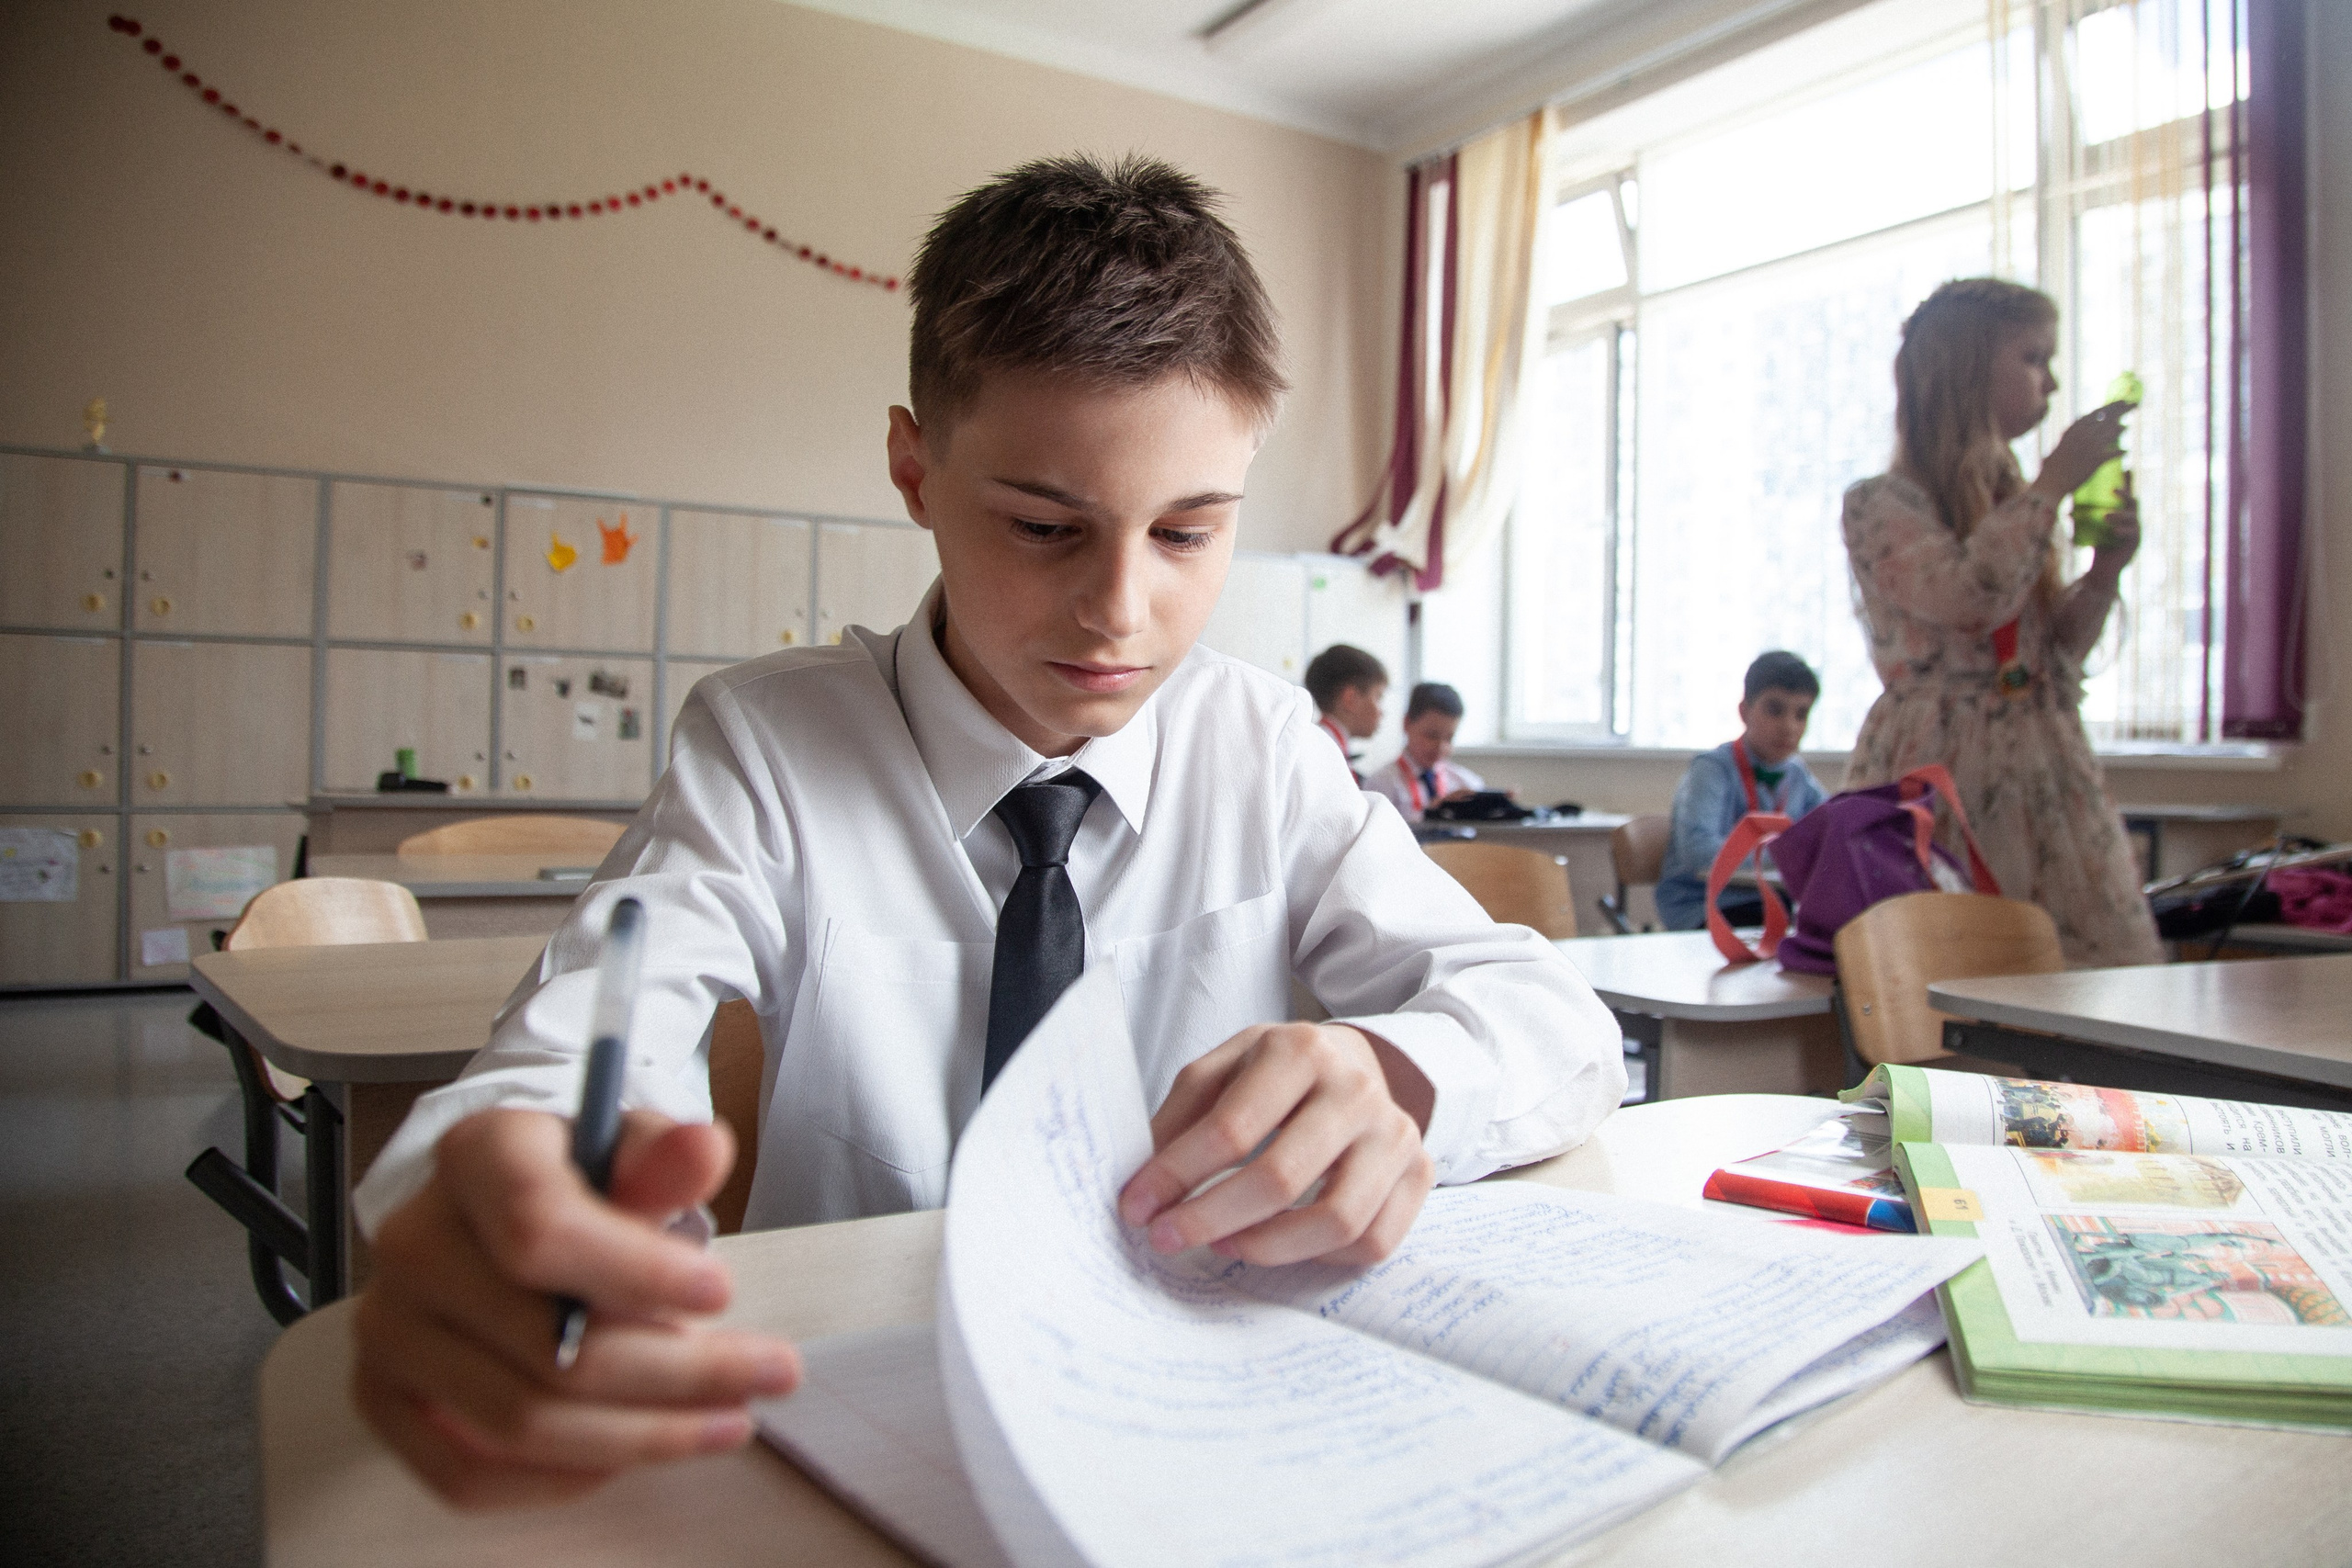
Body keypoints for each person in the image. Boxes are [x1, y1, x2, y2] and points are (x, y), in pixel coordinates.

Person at [346, 154, 1624, 1508]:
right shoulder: (768, 750)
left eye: (1190, 532)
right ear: (915, 466)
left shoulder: (1258, 746)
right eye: (1042, 525)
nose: (1121, 611)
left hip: (1196, 1418)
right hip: (847, 1422)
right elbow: (569, 1061)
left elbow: (1553, 1020)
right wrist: (508, 1204)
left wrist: (1394, 1074)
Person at [1841, 277, 2163, 967]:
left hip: (2041, 763)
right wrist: (2051, 485)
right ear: (1965, 368)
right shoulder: (1881, 502)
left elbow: (2052, 654)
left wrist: (2105, 569)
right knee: (1955, 975)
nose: (2050, 381)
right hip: (1942, 765)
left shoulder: (2013, 499)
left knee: (2072, 978)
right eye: (2032, 357)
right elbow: (1969, 598)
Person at [1655, 651, 1831, 931]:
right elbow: (1699, 850)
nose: (1789, 726)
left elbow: (1830, 835)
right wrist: (1786, 854)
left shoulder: (1798, 776)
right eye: (1775, 710)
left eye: (1801, 714)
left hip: (1771, 902)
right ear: (1744, 711)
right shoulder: (1712, 769)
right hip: (1703, 904)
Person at [1367, 682, 1485, 823]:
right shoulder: (1380, 784)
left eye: (1449, 738)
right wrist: (1433, 813)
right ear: (1406, 724)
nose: (1440, 747)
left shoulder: (1467, 783)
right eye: (1431, 735)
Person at [1302, 643, 1387, 782]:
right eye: (1378, 697)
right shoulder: (1326, 752)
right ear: (1351, 699)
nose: (1381, 712)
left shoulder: (1324, 743)